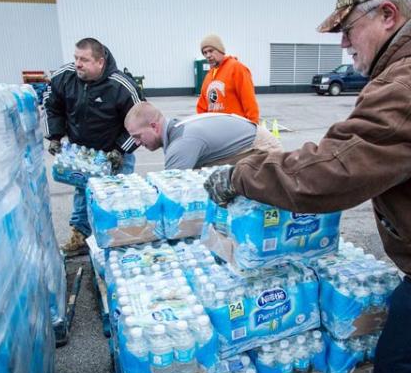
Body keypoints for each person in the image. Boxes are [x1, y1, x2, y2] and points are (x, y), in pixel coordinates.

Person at [204, 0, 411, 373]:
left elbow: (333, 172)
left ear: (387, 15)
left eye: (347, 29)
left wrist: (243, 174)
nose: (343, 44)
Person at [44, 37, 144, 256]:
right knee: (82, 194)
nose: (78, 64)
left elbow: (141, 123)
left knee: (117, 199)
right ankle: (79, 237)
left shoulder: (122, 85)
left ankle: (120, 242)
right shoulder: (64, 77)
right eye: (76, 58)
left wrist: (120, 149)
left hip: (114, 155)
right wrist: (54, 136)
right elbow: (52, 106)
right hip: (83, 156)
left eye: (85, 60)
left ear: (100, 62)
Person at [124, 102, 282, 170]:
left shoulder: (181, 144)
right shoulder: (176, 129)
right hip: (251, 138)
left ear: (154, 126)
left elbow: (172, 191)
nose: (137, 143)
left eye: (138, 136)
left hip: (262, 148)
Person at [197, 34, 260, 124]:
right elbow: (202, 107)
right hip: (216, 130)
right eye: (205, 53)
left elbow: (249, 101)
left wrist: (253, 125)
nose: (208, 55)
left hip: (237, 128)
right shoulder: (208, 76)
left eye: (211, 51)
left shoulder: (236, 68)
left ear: (220, 50)